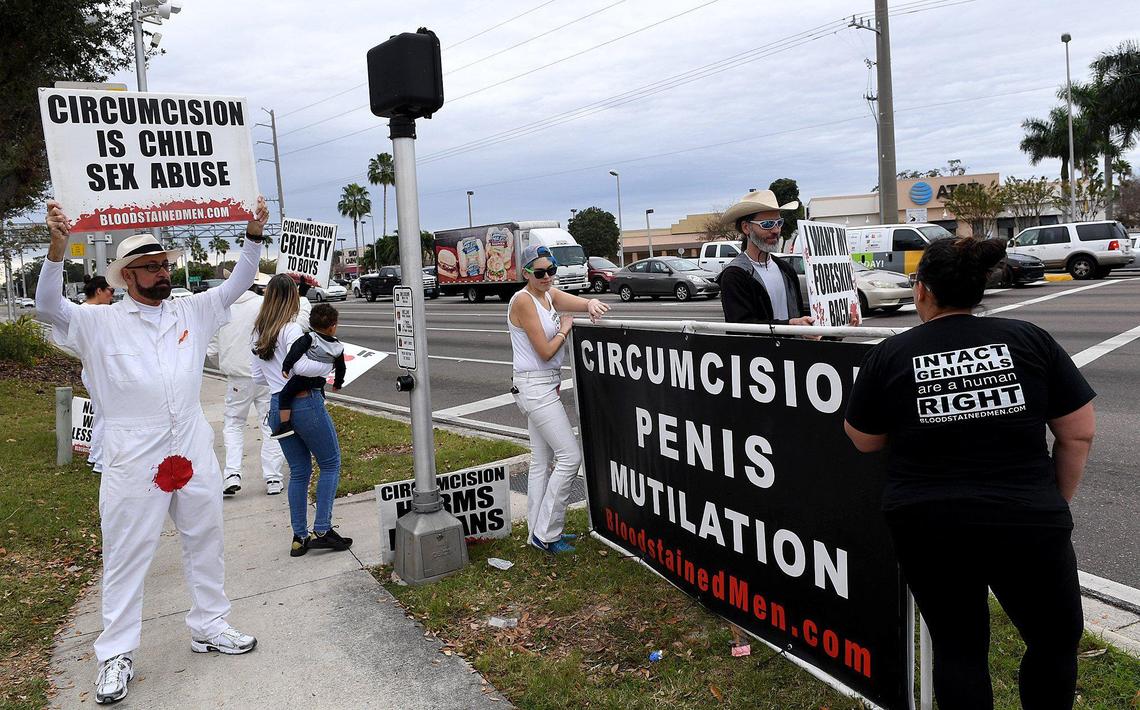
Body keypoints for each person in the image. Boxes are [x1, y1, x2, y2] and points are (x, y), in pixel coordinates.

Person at [844, 237, 1095, 710]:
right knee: (1053, 639)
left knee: (959, 648)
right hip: (1028, 520)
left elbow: (864, 438)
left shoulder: (891, 354)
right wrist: (1052, 498)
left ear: (922, 291)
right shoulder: (1029, 339)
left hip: (928, 524)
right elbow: (1078, 432)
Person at [37, 197, 269, 705]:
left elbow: (236, 283)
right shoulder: (97, 323)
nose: (163, 273)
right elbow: (48, 308)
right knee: (127, 553)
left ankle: (210, 624)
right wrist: (57, 251)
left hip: (189, 441)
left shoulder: (193, 309)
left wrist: (252, 234)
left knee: (205, 537)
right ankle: (115, 653)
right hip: (130, 450)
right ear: (127, 276)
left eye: (166, 264)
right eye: (152, 267)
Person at [508, 245, 609, 553]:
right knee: (569, 457)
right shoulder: (524, 301)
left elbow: (573, 301)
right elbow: (545, 351)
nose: (548, 277)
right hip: (535, 387)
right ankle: (547, 534)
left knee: (542, 462)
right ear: (526, 273)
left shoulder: (548, 294)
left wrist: (590, 302)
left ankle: (535, 532)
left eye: (552, 270)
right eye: (540, 273)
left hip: (542, 386)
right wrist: (565, 329)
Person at [251, 275, 352, 558]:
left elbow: (257, 376)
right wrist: (329, 367)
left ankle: (299, 536)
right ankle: (322, 528)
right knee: (330, 463)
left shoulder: (258, 331)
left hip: (276, 404)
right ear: (292, 298)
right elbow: (305, 367)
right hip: (305, 402)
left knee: (298, 471)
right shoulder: (292, 330)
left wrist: (278, 377)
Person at [206, 272, 285, 496]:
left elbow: (212, 350)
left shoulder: (222, 309)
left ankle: (232, 473)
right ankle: (273, 478)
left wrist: (227, 364)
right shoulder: (263, 305)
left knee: (233, 424)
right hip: (265, 374)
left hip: (237, 377)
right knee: (270, 424)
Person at [717, 189, 815, 326]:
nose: (776, 230)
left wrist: (833, 327)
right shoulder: (734, 275)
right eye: (767, 224)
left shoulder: (786, 270)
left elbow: (798, 315)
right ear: (746, 228)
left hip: (793, 347)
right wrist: (790, 325)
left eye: (778, 223)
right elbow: (741, 327)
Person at [271, 302, 346, 439]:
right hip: (319, 380)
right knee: (318, 391)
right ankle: (320, 404)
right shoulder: (338, 347)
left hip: (301, 380)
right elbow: (341, 367)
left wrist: (286, 366)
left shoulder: (309, 338)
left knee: (285, 395)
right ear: (332, 327)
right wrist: (337, 383)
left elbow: (295, 352)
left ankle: (285, 425)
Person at [73, 276, 114, 473]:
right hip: (100, 370)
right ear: (99, 291)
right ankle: (99, 460)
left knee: (102, 413)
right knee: (107, 413)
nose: (112, 296)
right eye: (110, 291)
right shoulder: (101, 312)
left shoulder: (80, 311)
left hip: (90, 369)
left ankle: (96, 455)